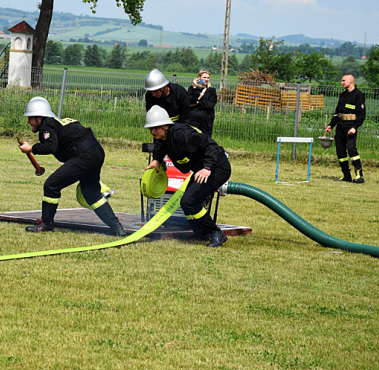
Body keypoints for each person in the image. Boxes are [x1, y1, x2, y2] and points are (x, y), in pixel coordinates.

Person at [18, 96, 125, 236]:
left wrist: (31, 148)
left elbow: (50, 146)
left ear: (39, 117)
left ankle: (47, 224)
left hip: (84, 155)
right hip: (96, 151)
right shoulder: (56, 123)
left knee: (51, 185)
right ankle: (117, 228)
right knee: (91, 193)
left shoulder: (47, 123)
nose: (28, 122)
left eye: (30, 118)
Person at [144, 105, 232, 248]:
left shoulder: (183, 134)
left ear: (166, 125)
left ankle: (216, 233)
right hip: (201, 168)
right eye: (150, 128)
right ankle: (201, 234)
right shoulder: (163, 136)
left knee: (189, 201)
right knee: (187, 203)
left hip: (217, 167)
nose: (153, 131)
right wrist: (157, 159)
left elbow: (210, 145)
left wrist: (207, 168)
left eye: (156, 128)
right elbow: (161, 146)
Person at [325, 73, 366, 183]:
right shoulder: (343, 95)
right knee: (340, 151)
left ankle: (359, 175)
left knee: (352, 150)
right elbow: (337, 113)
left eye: (344, 80)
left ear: (351, 80)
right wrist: (331, 125)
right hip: (340, 126)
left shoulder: (358, 95)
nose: (342, 82)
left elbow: (361, 114)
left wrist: (355, 127)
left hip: (350, 127)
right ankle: (346, 176)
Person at [188, 70, 218, 138]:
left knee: (206, 139)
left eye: (208, 77)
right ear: (199, 77)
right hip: (193, 119)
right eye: (204, 77)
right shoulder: (192, 89)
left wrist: (197, 103)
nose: (206, 79)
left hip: (206, 120)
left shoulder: (211, 91)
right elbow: (190, 100)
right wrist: (194, 87)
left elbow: (210, 105)